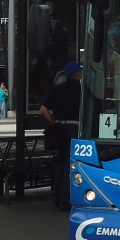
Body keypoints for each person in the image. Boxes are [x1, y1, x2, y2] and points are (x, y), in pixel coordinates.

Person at [40, 61, 82, 211]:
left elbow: (43, 109)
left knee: (60, 161)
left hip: (59, 128)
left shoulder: (57, 89)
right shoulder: (81, 90)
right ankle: (65, 197)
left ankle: (57, 195)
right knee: (69, 164)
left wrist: (54, 123)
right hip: (75, 128)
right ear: (78, 74)